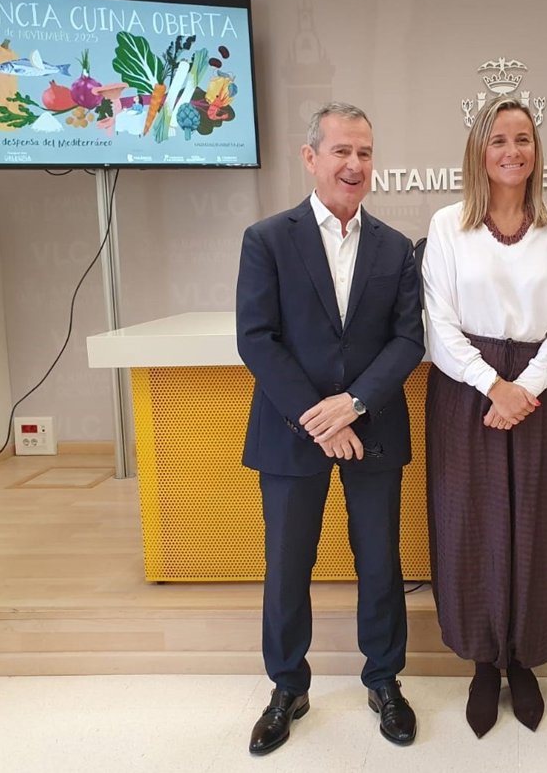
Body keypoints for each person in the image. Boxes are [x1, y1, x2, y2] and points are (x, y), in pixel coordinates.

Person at [236, 102, 425, 756]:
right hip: (292, 431)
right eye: (341, 151)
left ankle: (385, 681)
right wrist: (320, 419)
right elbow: (256, 339)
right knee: (288, 564)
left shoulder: (396, 248)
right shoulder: (267, 239)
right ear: (311, 156)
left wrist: (354, 403)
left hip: (372, 427)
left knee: (380, 561)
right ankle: (287, 686)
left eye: (364, 153)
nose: (354, 164)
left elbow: (408, 340)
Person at [421, 95, 547, 737]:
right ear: (478, 151)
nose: (512, 151)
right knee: (471, 526)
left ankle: (524, 658)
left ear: (536, 151)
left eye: (523, 139)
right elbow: (438, 323)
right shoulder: (446, 226)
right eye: (498, 140)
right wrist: (494, 385)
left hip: (537, 393)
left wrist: (523, 390)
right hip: (467, 391)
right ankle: (484, 662)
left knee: (535, 525)